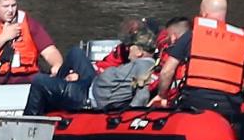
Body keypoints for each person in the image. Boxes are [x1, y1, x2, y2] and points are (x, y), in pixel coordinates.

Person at [150, 0, 244, 119]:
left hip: (194, 102)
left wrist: (162, 95)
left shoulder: (192, 35)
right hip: (228, 106)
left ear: (204, 14)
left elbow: (167, 71)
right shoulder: (242, 39)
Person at [25, 29, 158, 115]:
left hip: (86, 97)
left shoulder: (143, 66)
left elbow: (142, 95)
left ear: (140, 51)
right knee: (76, 52)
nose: (127, 49)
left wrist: (128, 113)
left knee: (39, 80)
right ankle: (55, 91)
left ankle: (30, 123)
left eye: (131, 47)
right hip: (92, 82)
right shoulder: (140, 64)